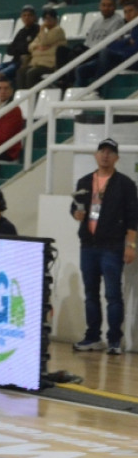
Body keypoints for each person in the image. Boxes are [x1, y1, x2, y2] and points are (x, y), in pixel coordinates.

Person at [70, 138, 138, 355]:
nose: (105, 155)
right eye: (102, 151)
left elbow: (133, 218)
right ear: (96, 155)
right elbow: (75, 206)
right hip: (88, 245)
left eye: (110, 152)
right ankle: (92, 337)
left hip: (112, 246)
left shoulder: (126, 184)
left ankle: (114, 340)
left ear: (116, 157)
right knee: (90, 293)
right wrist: (75, 213)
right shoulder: (83, 181)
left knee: (112, 294)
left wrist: (131, 245)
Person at [75, 0, 138, 90]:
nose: (128, 14)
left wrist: (122, 45)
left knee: (105, 53)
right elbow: (111, 44)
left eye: (131, 11)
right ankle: (78, 98)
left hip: (132, 60)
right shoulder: (128, 28)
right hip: (123, 58)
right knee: (81, 69)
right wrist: (127, 42)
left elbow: (134, 50)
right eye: (125, 12)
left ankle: (96, 91)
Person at [63, 0, 125, 88]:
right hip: (90, 50)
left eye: (109, 5)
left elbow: (111, 42)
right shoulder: (96, 22)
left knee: (78, 63)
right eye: (103, 5)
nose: (106, 8)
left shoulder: (118, 21)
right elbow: (87, 42)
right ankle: (65, 81)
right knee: (64, 50)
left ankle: (67, 82)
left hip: (102, 52)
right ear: (99, 6)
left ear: (115, 7)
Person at [0, 4, 40, 92]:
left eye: (29, 15)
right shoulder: (21, 31)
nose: (26, 18)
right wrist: (21, 48)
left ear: (34, 17)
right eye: (24, 15)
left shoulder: (38, 30)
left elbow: (29, 49)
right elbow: (9, 50)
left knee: (1, 74)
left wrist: (19, 48)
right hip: (13, 61)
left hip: (24, 63)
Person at [16, 7, 66, 89]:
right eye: (45, 19)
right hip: (36, 63)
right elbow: (30, 46)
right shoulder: (43, 33)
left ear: (55, 19)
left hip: (49, 65)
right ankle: (22, 96)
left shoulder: (58, 30)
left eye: (50, 18)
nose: (47, 21)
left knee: (31, 73)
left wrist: (42, 29)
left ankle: (32, 97)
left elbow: (44, 42)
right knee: (21, 72)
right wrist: (38, 47)